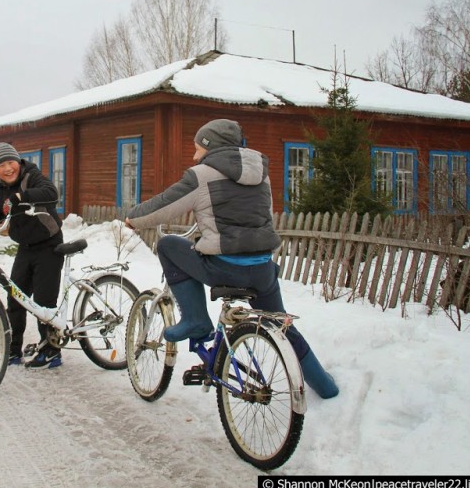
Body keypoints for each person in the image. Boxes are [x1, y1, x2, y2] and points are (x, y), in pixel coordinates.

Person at [124, 119, 339, 398]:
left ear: (210, 147)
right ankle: (325, 386)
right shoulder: (261, 174)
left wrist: (132, 218)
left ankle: (196, 320)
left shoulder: (201, 175)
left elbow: (162, 206)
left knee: (168, 245)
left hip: (225, 269)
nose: (194, 155)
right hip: (262, 269)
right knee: (280, 325)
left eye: (197, 149)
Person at [0, 142, 65, 369]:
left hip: (49, 245)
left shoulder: (31, 176)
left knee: (44, 302)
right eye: (1, 165)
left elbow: (52, 194)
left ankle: (51, 350)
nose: (8, 168)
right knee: (15, 300)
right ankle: (12, 351)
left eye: (11, 162)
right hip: (25, 247)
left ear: (18, 162)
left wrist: (21, 196)